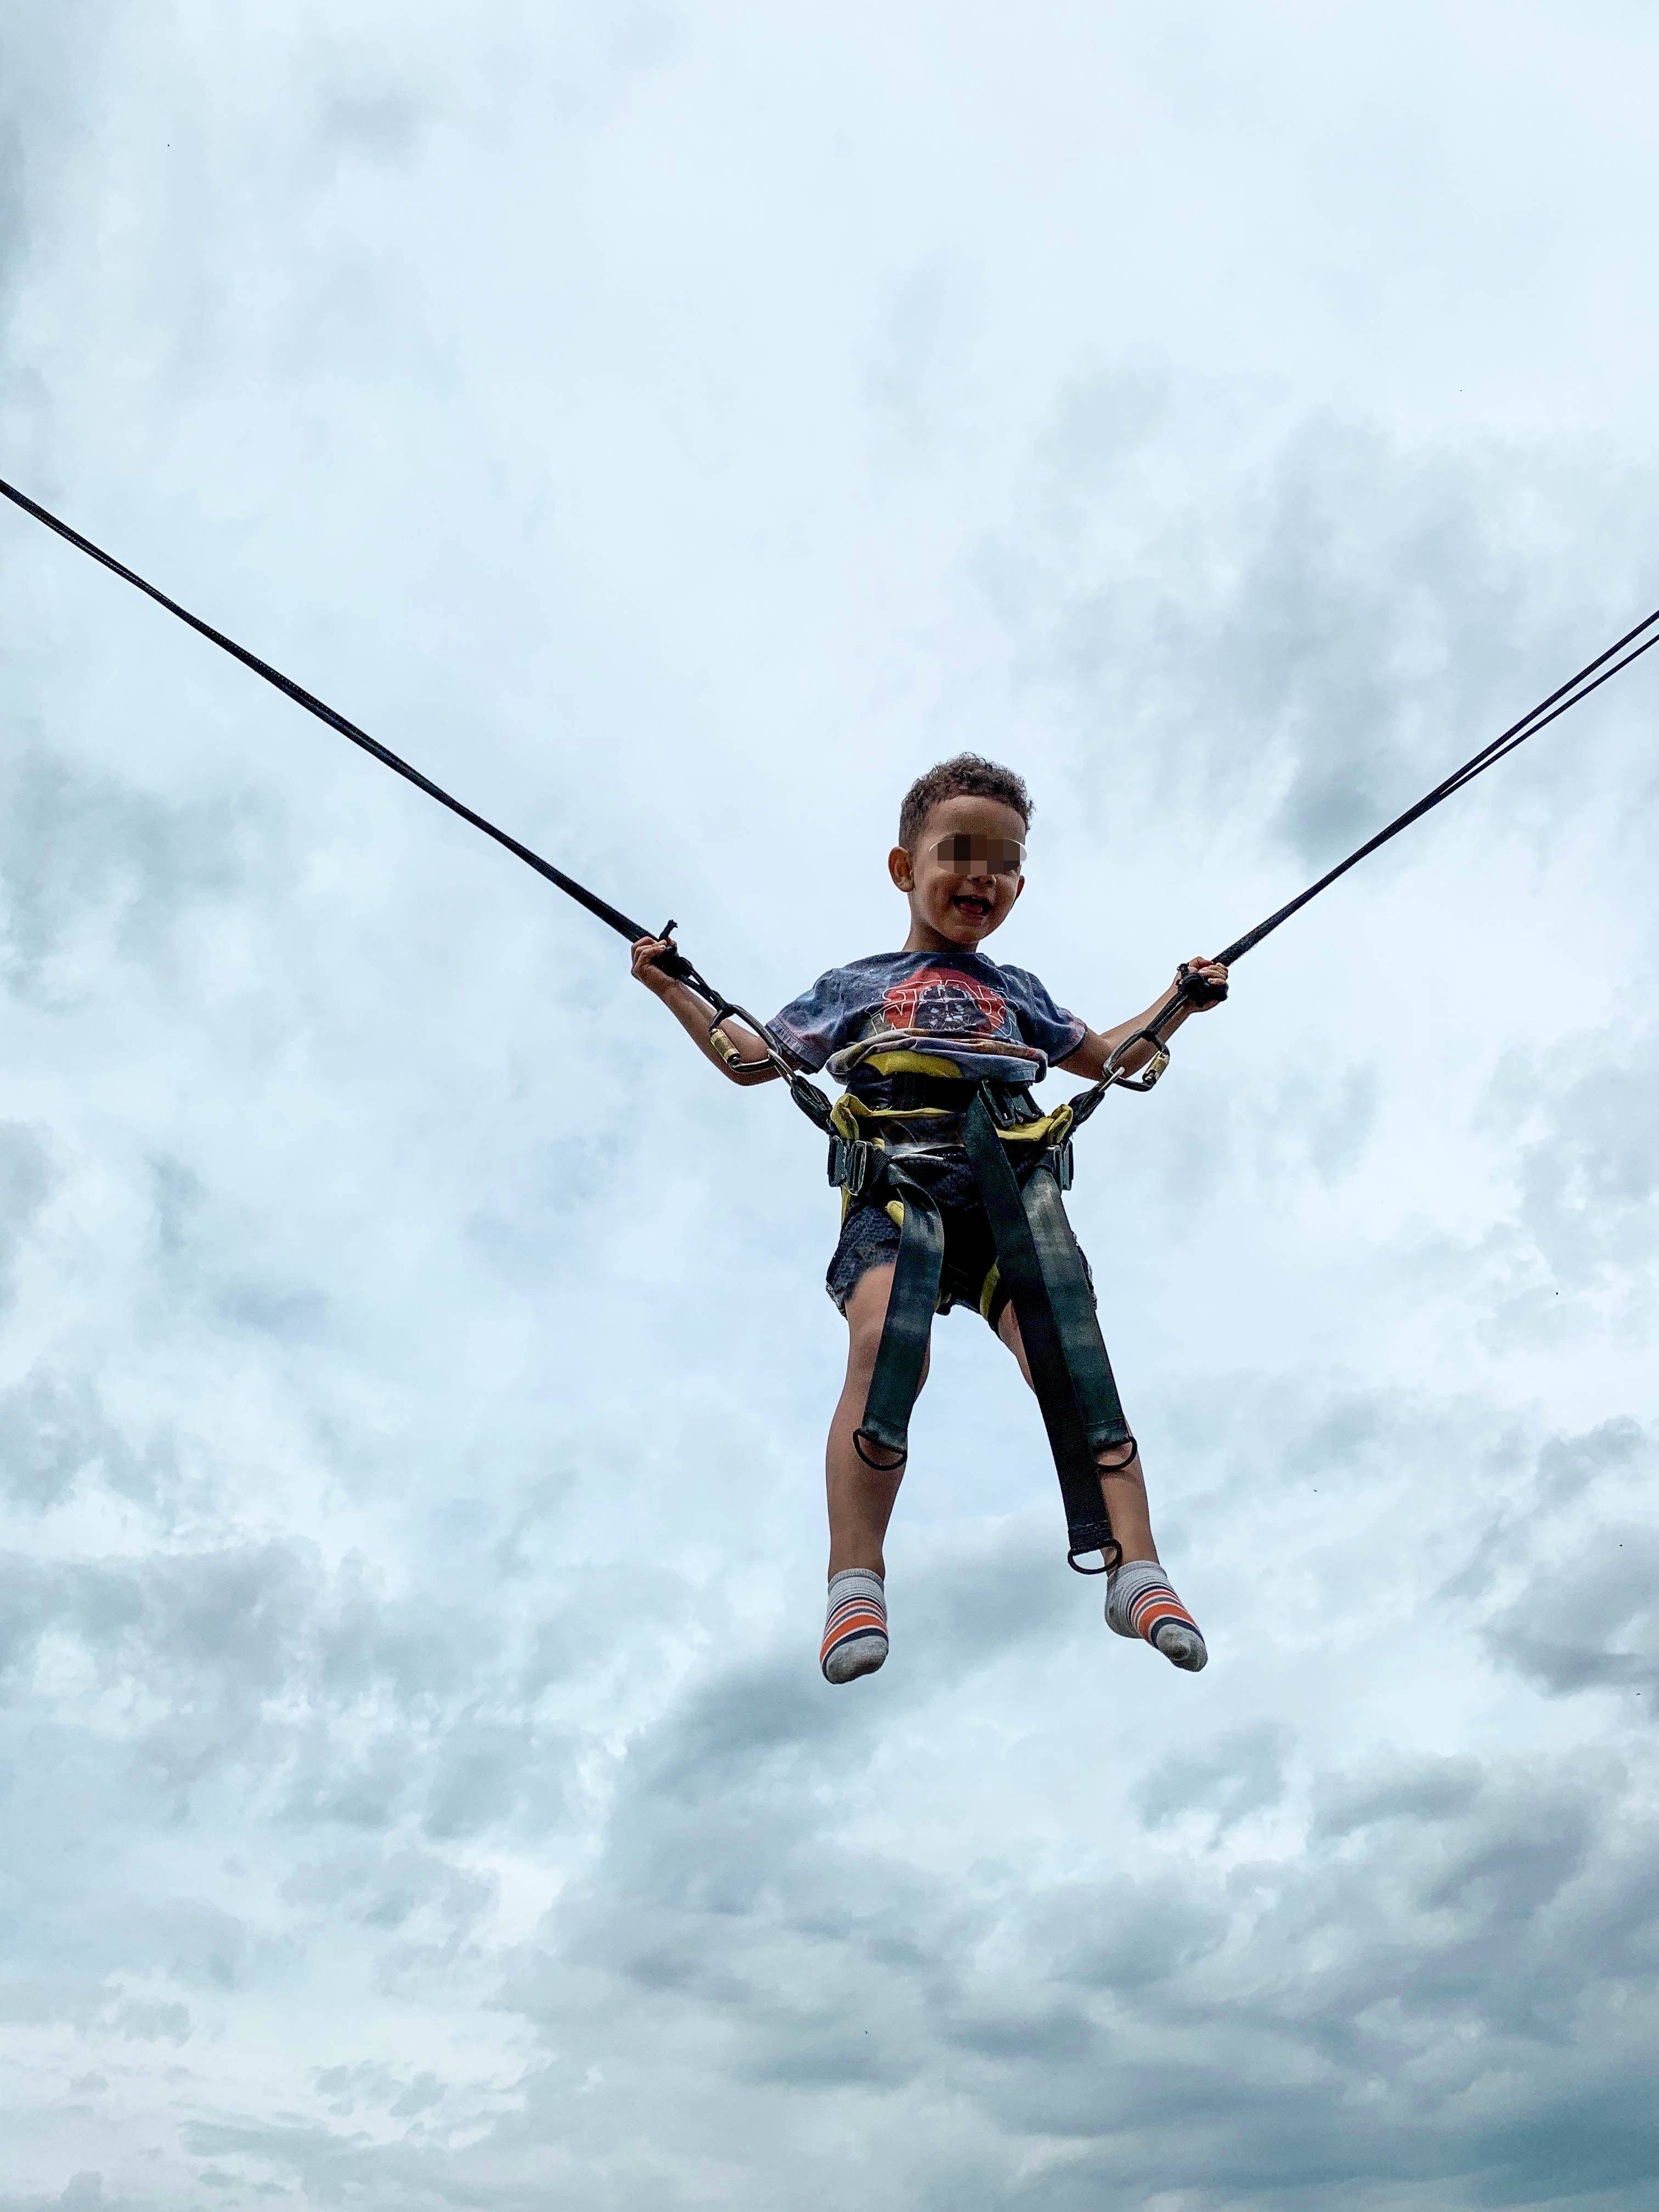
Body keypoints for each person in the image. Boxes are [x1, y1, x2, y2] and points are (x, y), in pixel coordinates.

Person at [630, 754, 1227, 1685]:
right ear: (906, 867)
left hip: (1008, 1200)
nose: (981, 875)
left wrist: (1181, 1001)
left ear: (1019, 884)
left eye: (1004, 861)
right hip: (899, 1196)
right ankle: (854, 1581)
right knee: (884, 1340)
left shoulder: (1020, 994)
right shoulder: (853, 985)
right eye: (960, 852)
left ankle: (1136, 1570)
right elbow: (753, 1059)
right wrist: (673, 984)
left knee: (1071, 1359)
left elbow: (1118, 1058)